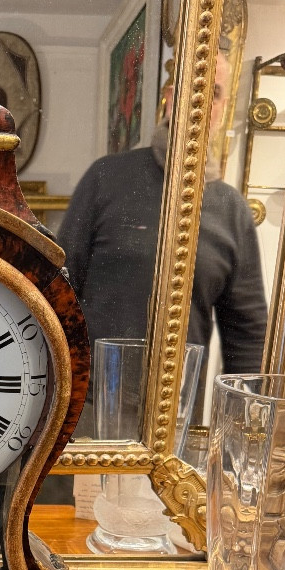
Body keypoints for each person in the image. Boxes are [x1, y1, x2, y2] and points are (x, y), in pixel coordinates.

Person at [59, 52, 268, 389]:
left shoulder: (232, 209)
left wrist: (249, 416)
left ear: (222, 108)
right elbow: (59, 289)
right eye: (189, 87)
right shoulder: (105, 178)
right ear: (169, 97)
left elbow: (246, 330)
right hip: (88, 401)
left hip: (176, 411)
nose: (199, 101)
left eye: (212, 92)